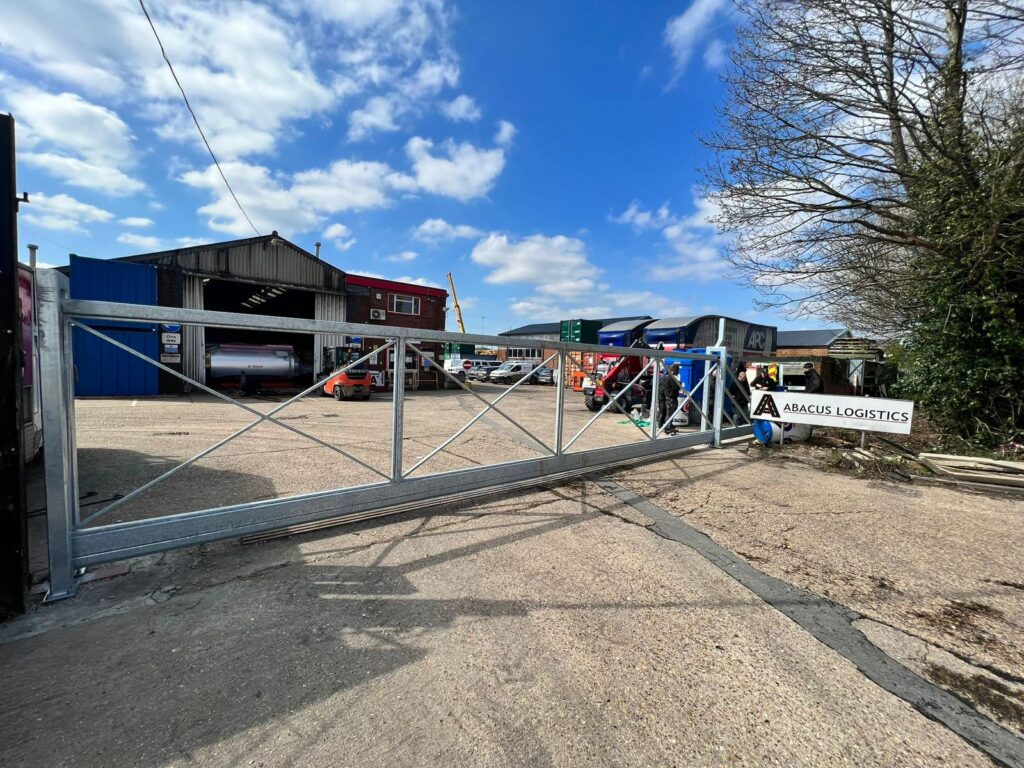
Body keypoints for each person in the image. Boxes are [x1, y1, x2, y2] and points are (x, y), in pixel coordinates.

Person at [658, 363, 681, 433]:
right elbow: (676, 387)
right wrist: (679, 384)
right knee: (669, 413)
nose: (678, 371)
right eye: (677, 369)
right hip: (669, 397)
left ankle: (669, 426)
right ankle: (667, 427)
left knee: (670, 413)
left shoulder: (669, 377)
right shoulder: (670, 377)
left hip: (668, 397)